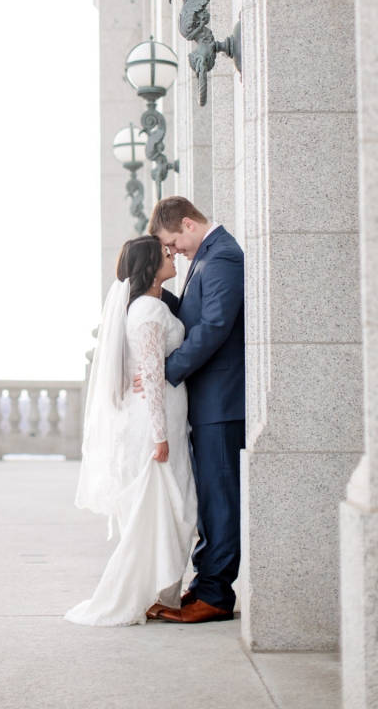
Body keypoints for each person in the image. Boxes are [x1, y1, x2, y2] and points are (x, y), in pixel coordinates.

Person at [65, 236, 197, 627]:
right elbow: (153, 377)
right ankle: (145, 594)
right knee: (171, 508)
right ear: (151, 268)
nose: (172, 256)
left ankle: (159, 593)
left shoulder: (145, 308)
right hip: (157, 425)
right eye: (165, 254)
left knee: (172, 509)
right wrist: (160, 436)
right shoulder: (148, 312)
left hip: (163, 421)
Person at [135, 196, 245, 624]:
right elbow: (194, 318)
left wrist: (165, 370)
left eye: (173, 243)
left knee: (220, 502)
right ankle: (204, 585)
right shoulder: (207, 256)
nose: (174, 252)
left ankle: (215, 596)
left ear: (187, 223)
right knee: (211, 500)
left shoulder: (222, 256)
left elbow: (215, 325)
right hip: (210, 400)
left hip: (221, 400)